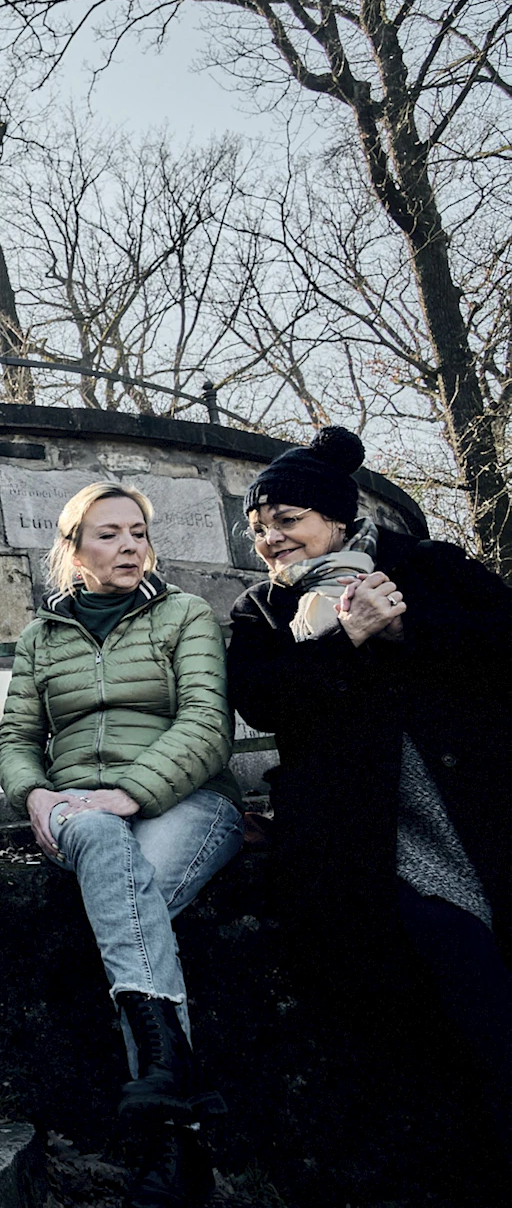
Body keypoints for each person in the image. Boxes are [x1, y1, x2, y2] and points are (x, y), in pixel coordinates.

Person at [226, 426, 512, 1170]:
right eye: (259, 529)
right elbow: (261, 700)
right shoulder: (260, 613)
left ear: (340, 518)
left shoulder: (430, 569)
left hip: (480, 814)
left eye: (286, 520)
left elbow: (502, 641)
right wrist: (345, 635)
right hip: (376, 845)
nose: (271, 539)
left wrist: (406, 627)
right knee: (472, 996)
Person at [0, 481, 242, 1208]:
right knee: (106, 847)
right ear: (72, 548)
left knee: (127, 913)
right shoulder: (40, 636)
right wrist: (37, 794)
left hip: (189, 802)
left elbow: (207, 724)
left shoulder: (185, 613)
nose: (130, 543)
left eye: (138, 530)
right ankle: (177, 1129)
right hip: (77, 810)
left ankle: (167, 1129)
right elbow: (16, 740)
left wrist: (130, 791)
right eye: (108, 533)